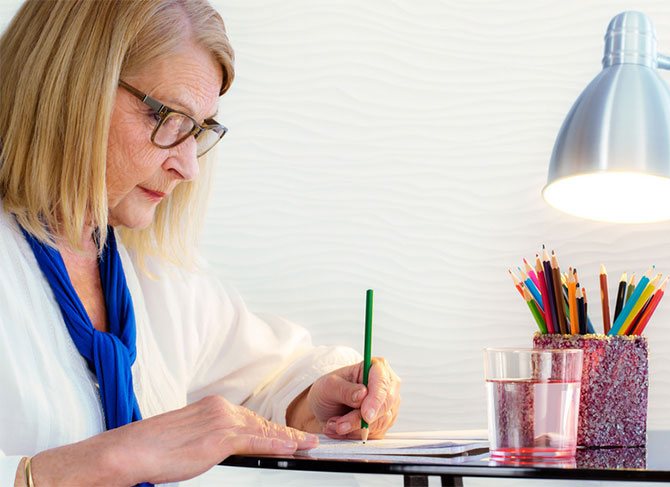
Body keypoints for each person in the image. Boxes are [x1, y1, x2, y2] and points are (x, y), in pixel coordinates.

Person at [0, 1, 401, 485]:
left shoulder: (154, 277)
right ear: (70, 88)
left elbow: (268, 376)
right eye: (168, 117)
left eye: (199, 130)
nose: (188, 167)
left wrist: (318, 396)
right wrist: (74, 468)